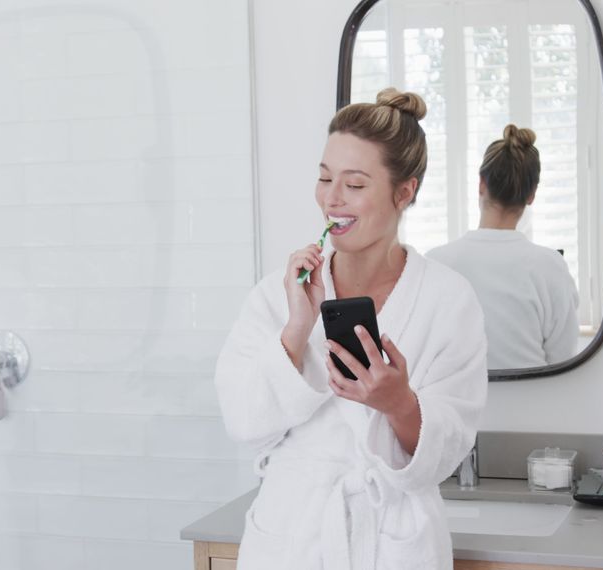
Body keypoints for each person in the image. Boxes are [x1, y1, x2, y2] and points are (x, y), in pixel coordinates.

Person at [215, 88, 488, 570]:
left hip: (392, 541)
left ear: (405, 191)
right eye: (324, 178)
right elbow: (241, 419)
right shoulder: (275, 295)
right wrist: (298, 326)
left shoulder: (448, 300)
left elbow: (449, 447)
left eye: (355, 185)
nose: (331, 199)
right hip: (292, 538)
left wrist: (398, 403)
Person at [426, 125, 579, 369]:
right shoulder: (551, 267)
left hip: (456, 405)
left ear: (481, 184)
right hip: (534, 403)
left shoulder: (435, 263)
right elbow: (564, 360)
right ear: (532, 195)